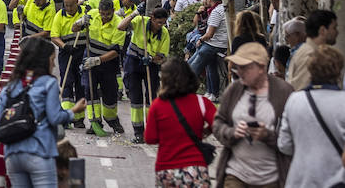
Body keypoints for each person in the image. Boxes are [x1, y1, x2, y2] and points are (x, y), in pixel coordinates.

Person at [0, 37, 82, 188]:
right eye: (52, 59)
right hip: (39, 153)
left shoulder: (10, 86)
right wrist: (73, 111)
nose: (54, 64)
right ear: (43, 61)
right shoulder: (48, 83)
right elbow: (55, 118)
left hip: (12, 156)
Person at [212, 42, 292, 188]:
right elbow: (218, 123)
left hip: (271, 178)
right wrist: (232, 132)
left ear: (261, 67)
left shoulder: (284, 92)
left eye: (244, 67)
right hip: (235, 174)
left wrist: (267, 135)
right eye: (237, 67)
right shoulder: (234, 89)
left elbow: (293, 138)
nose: (238, 72)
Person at [279, 46, 345, 188]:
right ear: (338, 71)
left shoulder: (294, 100)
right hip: (335, 180)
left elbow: (284, 145)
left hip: (300, 180)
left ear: (311, 70)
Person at [145, 58, 217, 187]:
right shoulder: (202, 103)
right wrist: (205, 131)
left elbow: (150, 138)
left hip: (167, 169)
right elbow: (218, 125)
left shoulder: (157, 105)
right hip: (196, 169)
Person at [118, 6, 170, 142]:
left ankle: (152, 129)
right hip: (133, 62)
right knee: (136, 98)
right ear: (152, 18)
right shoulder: (140, 21)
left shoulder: (164, 33)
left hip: (150, 65)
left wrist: (152, 59)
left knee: (152, 98)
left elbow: (162, 56)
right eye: (158, 22)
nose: (160, 26)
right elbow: (120, 27)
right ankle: (138, 132)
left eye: (163, 23)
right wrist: (134, 14)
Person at [83, 0, 127, 134]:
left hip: (108, 64)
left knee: (110, 94)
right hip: (89, 59)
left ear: (113, 11)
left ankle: (112, 119)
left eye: (107, 14)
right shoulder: (93, 15)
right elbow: (74, 28)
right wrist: (80, 23)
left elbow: (115, 52)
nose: (104, 17)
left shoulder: (119, 24)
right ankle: (95, 122)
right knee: (89, 90)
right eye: (102, 13)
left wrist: (97, 60)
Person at [49, 0, 88, 126]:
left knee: (81, 83)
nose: (69, 8)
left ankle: (79, 118)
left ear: (77, 2)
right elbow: (54, 36)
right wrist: (65, 46)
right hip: (67, 53)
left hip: (82, 52)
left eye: (71, 5)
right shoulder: (59, 15)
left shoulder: (85, 13)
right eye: (66, 5)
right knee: (67, 82)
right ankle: (66, 117)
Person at [189, 0, 229, 100]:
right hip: (217, 44)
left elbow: (210, 34)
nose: (204, 0)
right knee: (210, 64)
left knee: (194, 63)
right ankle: (212, 92)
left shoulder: (216, 12)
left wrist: (201, 40)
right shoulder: (221, 9)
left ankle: (183, 85)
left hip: (215, 45)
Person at [288, 10, 339, 91]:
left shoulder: (308, 51)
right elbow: (302, 90)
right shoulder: (310, 55)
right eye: (334, 28)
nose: (337, 32)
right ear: (322, 30)